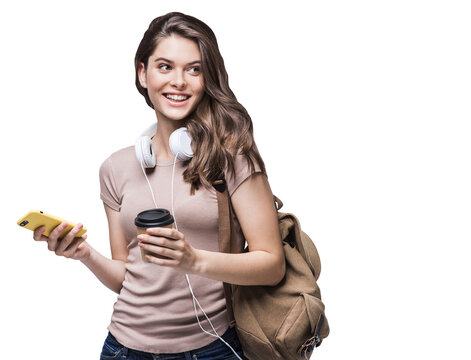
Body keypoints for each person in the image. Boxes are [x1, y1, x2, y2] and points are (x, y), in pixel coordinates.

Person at [33, 12, 285, 360]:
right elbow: (127, 276)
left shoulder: (231, 156)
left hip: (211, 349)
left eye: (194, 69)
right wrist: (85, 255)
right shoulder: (115, 168)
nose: (179, 81)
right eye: (165, 66)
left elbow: (272, 265)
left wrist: (194, 261)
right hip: (122, 349)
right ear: (143, 73)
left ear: (206, 77)